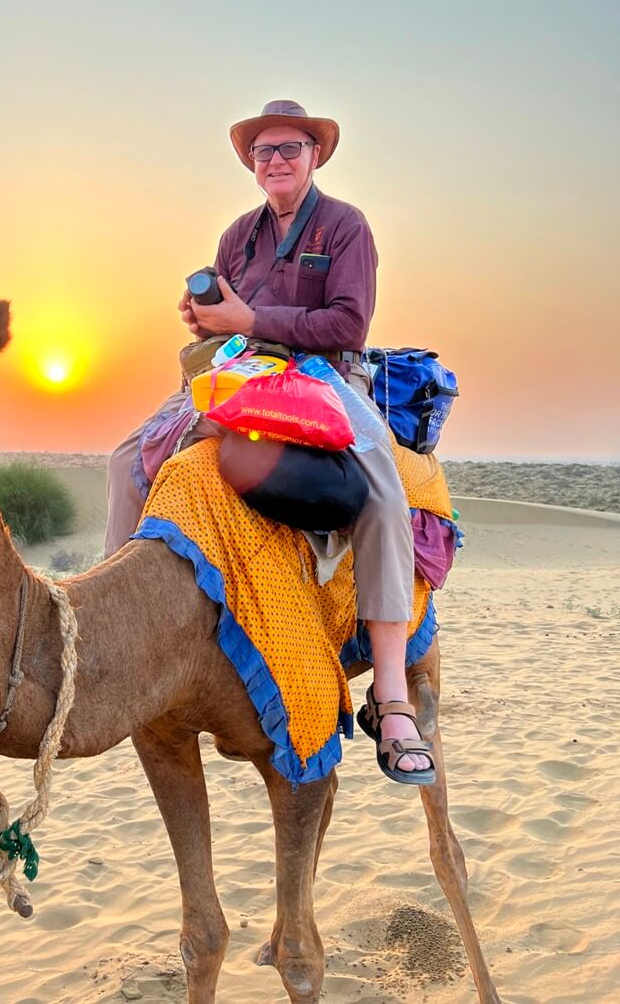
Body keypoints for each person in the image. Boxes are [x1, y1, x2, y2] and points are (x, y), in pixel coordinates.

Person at [105, 99, 435, 784]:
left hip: (321, 374)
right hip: (240, 369)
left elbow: (348, 322)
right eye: (263, 152)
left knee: (378, 487)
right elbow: (227, 329)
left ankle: (391, 693)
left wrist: (250, 315)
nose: (276, 160)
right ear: (251, 164)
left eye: (289, 148)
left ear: (314, 155)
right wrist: (207, 320)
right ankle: (117, 628)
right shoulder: (237, 235)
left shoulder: (345, 227)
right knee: (126, 460)